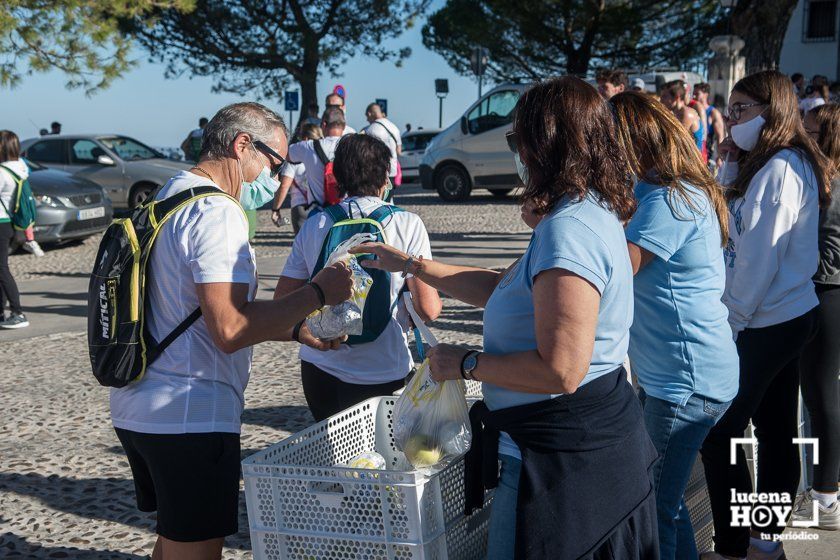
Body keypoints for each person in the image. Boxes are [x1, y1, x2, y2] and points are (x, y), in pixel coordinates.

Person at [352, 76, 658, 559]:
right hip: (568, 448)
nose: (515, 153)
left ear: (548, 144)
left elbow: (561, 369)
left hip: (563, 460)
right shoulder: (582, 214)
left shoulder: (569, 231)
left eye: (519, 141)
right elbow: (503, 288)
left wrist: (465, 362)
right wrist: (411, 264)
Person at [109, 102, 354, 560]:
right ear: (243, 145)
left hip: (138, 405)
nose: (278, 177)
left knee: (173, 543)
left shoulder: (170, 195)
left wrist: (295, 329)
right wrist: (318, 293)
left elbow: (195, 313)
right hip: (190, 414)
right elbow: (228, 328)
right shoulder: (217, 213)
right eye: (275, 163)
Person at [700, 70, 831, 560]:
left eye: (741, 110)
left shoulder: (780, 167)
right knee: (775, 431)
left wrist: (729, 323)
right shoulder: (771, 161)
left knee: (722, 433)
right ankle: (764, 542)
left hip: (767, 319)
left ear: (770, 111)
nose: (732, 120)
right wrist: (729, 168)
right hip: (780, 315)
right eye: (730, 110)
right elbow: (730, 222)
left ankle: (737, 546)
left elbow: (757, 257)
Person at [610, 92, 739, 560]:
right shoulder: (660, 191)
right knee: (667, 500)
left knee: (652, 504)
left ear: (631, 142)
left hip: (685, 381)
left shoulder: (668, 198)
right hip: (684, 373)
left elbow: (620, 266)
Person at [274, 133, 441, 421]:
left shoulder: (316, 223)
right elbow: (428, 309)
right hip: (383, 367)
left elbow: (282, 301)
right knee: (379, 461)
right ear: (385, 177)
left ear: (338, 177)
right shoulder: (408, 224)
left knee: (333, 459)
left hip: (319, 366)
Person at [792, 103, 840, 530]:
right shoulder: (823, 179)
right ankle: (822, 490)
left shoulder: (829, 183)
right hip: (825, 290)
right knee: (818, 394)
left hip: (826, 292)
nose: (801, 134)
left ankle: (826, 494)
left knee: (821, 395)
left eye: (808, 129)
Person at [272, 107, 345, 234]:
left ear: (323, 124)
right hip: (345, 213)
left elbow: (286, 154)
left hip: (318, 214)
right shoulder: (355, 144)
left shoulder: (309, 147)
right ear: (344, 126)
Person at [0, 130, 30, 329]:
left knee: (2, 270)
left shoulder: (2, 171)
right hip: (8, 224)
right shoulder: (21, 167)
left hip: (1, 223)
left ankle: (18, 312)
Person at [363, 102, 402, 200]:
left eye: (367, 117)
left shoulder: (371, 130)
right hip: (392, 171)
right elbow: (399, 151)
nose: (367, 120)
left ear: (370, 114)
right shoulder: (394, 127)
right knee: (389, 199)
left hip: (376, 172)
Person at [661, 80, 704, 156]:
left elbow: (675, 142)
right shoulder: (675, 113)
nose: (661, 100)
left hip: (692, 163)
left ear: (677, 97)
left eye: (665, 96)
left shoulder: (686, 114)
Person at [694, 82, 726, 161]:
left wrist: (720, 157)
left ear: (706, 95)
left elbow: (720, 137)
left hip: (706, 154)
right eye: (693, 93)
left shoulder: (713, 113)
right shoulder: (692, 111)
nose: (694, 96)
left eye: (697, 94)